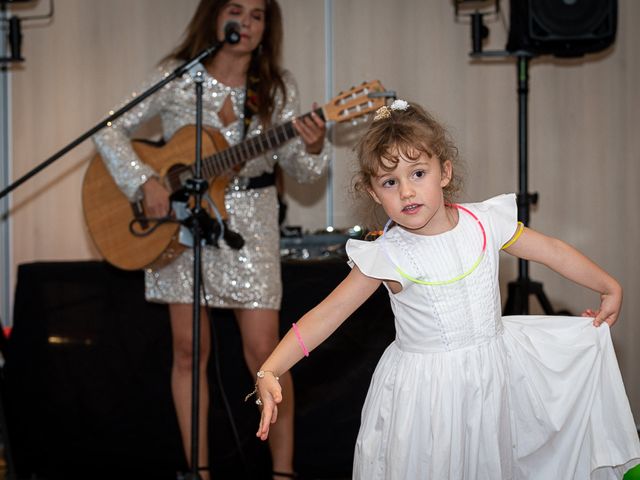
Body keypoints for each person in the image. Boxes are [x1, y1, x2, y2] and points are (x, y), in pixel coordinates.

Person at [253, 100, 640, 479]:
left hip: (493, 380)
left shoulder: (485, 223)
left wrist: (607, 285)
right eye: (390, 182)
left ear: (445, 172)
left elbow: (552, 251)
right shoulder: (386, 255)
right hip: (427, 397)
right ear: (374, 193)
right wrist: (271, 367)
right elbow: (326, 315)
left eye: (417, 173)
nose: (406, 191)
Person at [93, 1, 330, 478]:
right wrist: (145, 181)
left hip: (251, 223)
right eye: (236, 9)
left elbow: (303, 173)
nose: (246, 21)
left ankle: (282, 472)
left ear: (266, 29)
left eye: (258, 14)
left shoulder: (277, 89)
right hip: (185, 224)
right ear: (215, 17)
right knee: (187, 350)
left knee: (267, 352)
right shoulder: (178, 76)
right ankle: (197, 473)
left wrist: (313, 144)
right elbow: (110, 128)